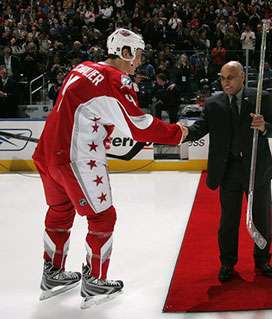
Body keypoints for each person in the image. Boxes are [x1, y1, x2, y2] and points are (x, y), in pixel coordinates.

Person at [32, 28, 187, 307]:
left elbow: (90, 112)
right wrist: (178, 133)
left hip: (47, 153)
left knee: (60, 210)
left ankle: (53, 273)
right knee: (103, 216)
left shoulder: (82, 68)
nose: (139, 61)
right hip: (75, 157)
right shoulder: (115, 80)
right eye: (137, 55)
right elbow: (139, 126)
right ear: (125, 53)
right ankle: (94, 281)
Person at [185, 61, 272, 282]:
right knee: (228, 221)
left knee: (262, 219)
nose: (226, 82)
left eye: (231, 77)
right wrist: (180, 134)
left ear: (243, 76)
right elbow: (200, 128)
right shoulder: (213, 103)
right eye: (223, 78)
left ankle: (262, 260)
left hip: (258, 170)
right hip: (228, 171)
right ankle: (227, 263)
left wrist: (264, 126)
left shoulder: (260, 98)